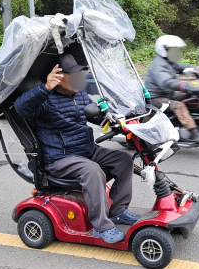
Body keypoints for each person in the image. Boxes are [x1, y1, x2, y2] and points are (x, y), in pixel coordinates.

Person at [14, 54, 138, 244]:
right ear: (58, 77)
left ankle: (118, 211)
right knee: (92, 170)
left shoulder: (79, 93)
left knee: (123, 160)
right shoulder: (45, 98)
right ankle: (101, 227)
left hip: (85, 150)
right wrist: (45, 87)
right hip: (60, 158)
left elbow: (94, 114)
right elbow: (21, 109)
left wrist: (116, 118)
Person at [144, 35, 199, 145]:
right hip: (155, 98)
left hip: (167, 94)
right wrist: (184, 85)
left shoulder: (169, 61)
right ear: (164, 49)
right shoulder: (158, 64)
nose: (176, 52)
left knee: (193, 95)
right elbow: (165, 82)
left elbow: (182, 67)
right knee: (179, 105)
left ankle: (196, 122)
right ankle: (194, 133)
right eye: (173, 50)